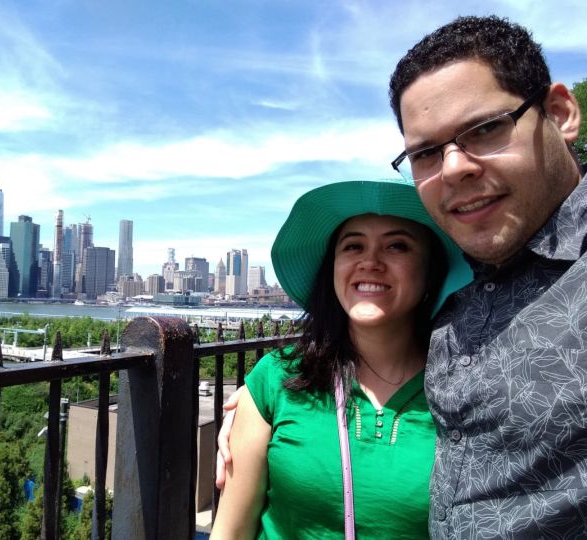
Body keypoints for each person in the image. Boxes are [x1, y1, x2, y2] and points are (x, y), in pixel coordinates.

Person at [219, 15, 586, 539]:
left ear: (560, 113)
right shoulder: (461, 317)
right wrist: (252, 414)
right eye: (426, 152)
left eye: (486, 128)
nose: (455, 167)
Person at [211, 178, 472, 539]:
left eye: (397, 245)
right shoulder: (276, 378)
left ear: (431, 272)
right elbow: (230, 532)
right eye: (353, 246)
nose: (370, 262)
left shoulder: (467, 389)